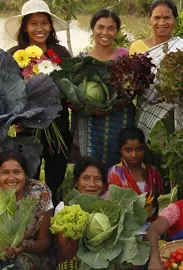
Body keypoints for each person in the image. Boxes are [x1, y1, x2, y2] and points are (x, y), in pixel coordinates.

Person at [5, 0, 72, 202]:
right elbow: (6, 93)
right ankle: (29, 225)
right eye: (33, 23)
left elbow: (69, 89)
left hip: (57, 127)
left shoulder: (61, 54)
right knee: (27, 181)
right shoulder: (14, 55)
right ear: (25, 27)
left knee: (55, 181)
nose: (39, 28)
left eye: (44, 22)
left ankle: (53, 221)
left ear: (51, 25)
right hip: (27, 130)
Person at [55, 157, 137, 270]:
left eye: (97, 179)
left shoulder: (113, 205)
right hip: (77, 264)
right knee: (67, 269)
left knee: (124, 268)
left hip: (106, 263)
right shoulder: (65, 209)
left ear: (104, 184)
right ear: (76, 182)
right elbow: (63, 256)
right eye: (85, 178)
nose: (91, 184)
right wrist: (76, 236)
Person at [0, 152, 55, 270]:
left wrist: (24, 246)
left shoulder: (40, 194)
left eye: (17, 172)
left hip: (30, 255)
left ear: (26, 175)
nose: (11, 178)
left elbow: (45, 242)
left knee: (15, 264)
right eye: (5, 172)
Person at [129, 0, 183, 138]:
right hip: (145, 114)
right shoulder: (136, 47)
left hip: (175, 115)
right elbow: (134, 86)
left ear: (175, 20)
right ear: (149, 20)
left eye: (167, 17)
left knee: (175, 152)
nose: (162, 22)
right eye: (156, 17)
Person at [73, 9, 134, 166]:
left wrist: (111, 108)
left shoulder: (126, 56)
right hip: (89, 120)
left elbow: (132, 91)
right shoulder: (82, 59)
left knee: (118, 161)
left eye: (111, 28)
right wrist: (83, 106)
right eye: (100, 27)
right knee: (91, 165)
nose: (105, 32)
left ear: (117, 31)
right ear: (93, 29)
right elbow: (72, 92)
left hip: (120, 118)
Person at [107, 127, 164, 221]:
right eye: (128, 150)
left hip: (152, 226)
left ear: (144, 148)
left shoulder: (153, 172)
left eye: (139, 149)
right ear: (120, 150)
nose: (134, 155)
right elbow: (110, 205)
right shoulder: (113, 173)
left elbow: (161, 201)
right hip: (123, 226)